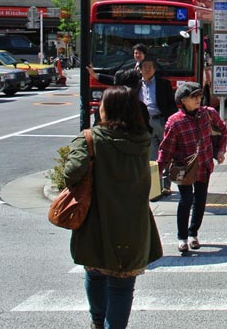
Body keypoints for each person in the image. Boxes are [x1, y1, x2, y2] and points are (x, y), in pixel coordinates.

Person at [63, 85, 162, 329]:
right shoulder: (142, 139)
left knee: (95, 273)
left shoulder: (92, 139)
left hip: (96, 220)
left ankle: (98, 322)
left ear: (107, 109)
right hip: (134, 224)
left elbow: (72, 172)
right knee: (122, 286)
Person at [157, 82, 227, 254]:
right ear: (183, 100)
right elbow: (166, 149)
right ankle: (182, 237)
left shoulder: (208, 113)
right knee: (186, 200)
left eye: (199, 96)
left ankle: (193, 234)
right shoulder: (174, 122)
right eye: (193, 96)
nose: (198, 99)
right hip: (184, 168)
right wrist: (158, 170)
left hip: (204, 164)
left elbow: (223, 130)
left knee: (200, 201)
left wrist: (221, 150)